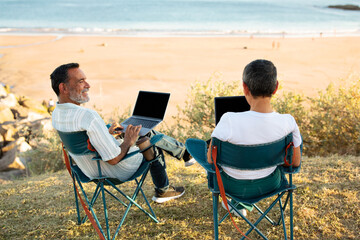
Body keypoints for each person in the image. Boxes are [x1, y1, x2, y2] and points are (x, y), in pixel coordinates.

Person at [50, 63, 194, 203]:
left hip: (87, 171)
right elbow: (113, 159)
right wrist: (128, 141)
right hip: (115, 171)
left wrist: (107, 134)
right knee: (149, 140)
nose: (88, 85)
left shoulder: (57, 114)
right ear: (63, 88)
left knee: (138, 131)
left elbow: (84, 142)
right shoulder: (88, 116)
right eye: (81, 81)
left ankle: (184, 153)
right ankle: (164, 189)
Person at [207, 59, 302, 215]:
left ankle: (238, 204)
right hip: (270, 184)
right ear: (276, 87)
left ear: (245, 87)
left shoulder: (228, 120)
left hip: (229, 186)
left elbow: (211, 159)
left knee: (196, 145)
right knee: (295, 142)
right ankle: (241, 205)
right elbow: (294, 163)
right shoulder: (288, 122)